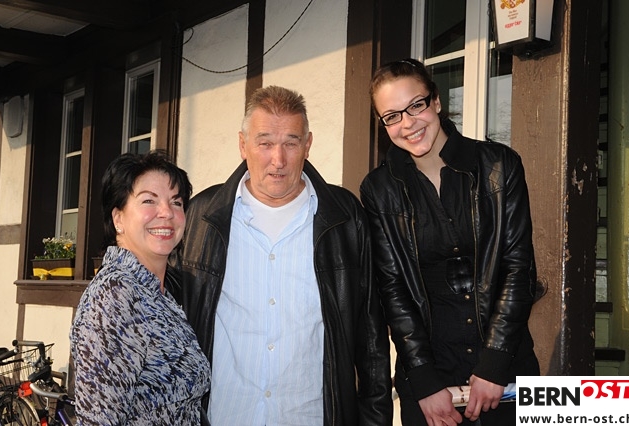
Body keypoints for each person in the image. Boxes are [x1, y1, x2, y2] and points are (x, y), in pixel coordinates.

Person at [167, 85, 393, 425]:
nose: (278, 159)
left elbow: (371, 336)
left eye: (291, 142)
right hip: (225, 416)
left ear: (308, 145)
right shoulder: (202, 217)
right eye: (265, 143)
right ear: (243, 145)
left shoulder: (345, 218)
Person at [360, 58, 540, 426]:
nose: (408, 123)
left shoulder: (499, 165)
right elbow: (392, 289)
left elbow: (518, 268)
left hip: (506, 370)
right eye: (392, 116)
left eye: (416, 105)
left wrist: (494, 363)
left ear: (437, 101)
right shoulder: (378, 190)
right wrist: (423, 380)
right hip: (429, 378)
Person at [70, 151, 211, 425]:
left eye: (176, 202)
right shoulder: (115, 295)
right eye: (149, 200)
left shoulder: (159, 293)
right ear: (118, 219)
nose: (167, 213)